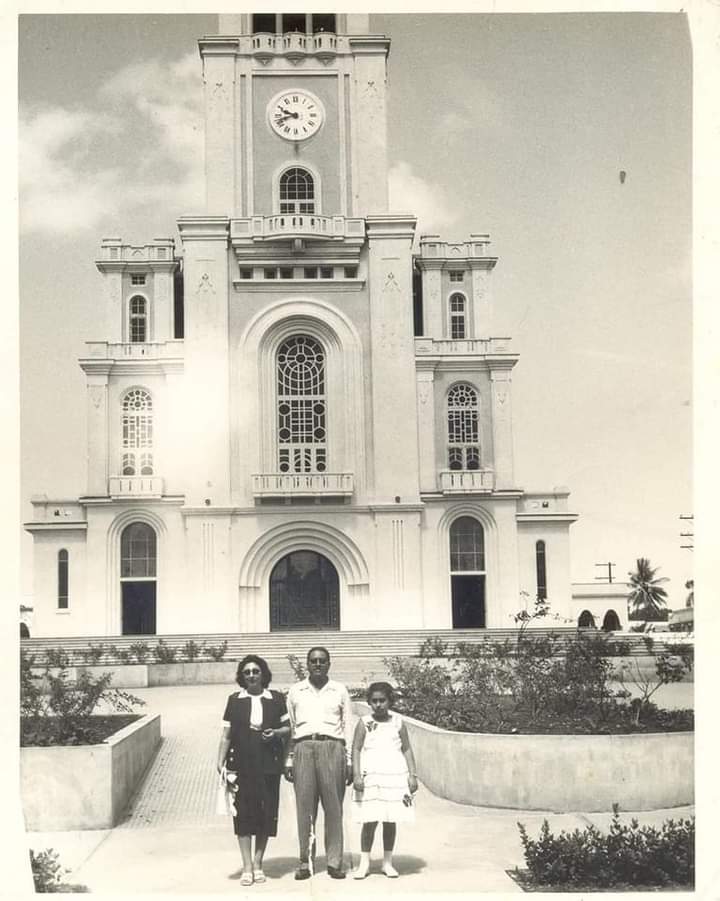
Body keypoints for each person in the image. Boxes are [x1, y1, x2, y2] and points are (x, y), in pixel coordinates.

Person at [216, 655, 290, 886]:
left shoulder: (276, 698)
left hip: (269, 763)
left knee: (266, 813)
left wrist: (276, 734)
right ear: (242, 676)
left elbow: (288, 729)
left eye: (255, 671)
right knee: (244, 814)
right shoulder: (235, 700)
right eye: (246, 672)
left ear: (263, 674)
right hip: (242, 764)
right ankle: (246, 866)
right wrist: (220, 762)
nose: (251, 675)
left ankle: (259, 863)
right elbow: (226, 735)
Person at [284, 646, 353, 880]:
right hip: (303, 748)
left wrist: (349, 760)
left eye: (322, 661)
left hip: (332, 747)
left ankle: (334, 861)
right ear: (307, 664)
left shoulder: (339, 690)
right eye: (313, 660)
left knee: (333, 808)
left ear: (329, 664)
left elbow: (348, 725)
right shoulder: (295, 691)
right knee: (305, 809)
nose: (317, 664)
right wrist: (290, 758)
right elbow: (292, 728)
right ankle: (305, 862)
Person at [351, 682, 418, 879]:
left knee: (390, 820)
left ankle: (387, 863)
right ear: (369, 702)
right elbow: (355, 749)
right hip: (371, 774)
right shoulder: (364, 722)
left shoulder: (398, 722)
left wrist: (412, 775)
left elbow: (406, 748)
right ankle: (364, 863)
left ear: (390, 701)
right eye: (374, 701)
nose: (378, 705)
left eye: (382, 700)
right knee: (370, 820)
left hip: (394, 774)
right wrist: (356, 775)